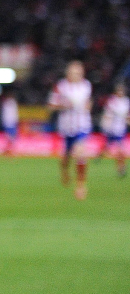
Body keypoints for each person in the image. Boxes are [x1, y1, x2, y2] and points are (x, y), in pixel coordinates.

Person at [50, 60, 93, 199]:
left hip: (82, 125)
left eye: (78, 72)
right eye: (73, 72)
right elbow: (51, 105)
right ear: (68, 73)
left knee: (80, 153)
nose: (76, 75)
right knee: (66, 157)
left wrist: (87, 107)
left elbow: (88, 102)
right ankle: (64, 170)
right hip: (67, 127)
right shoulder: (61, 87)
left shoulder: (86, 86)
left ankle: (81, 186)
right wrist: (65, 105)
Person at [99, 82, 129, 178]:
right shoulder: (112, 101)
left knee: (120, 150)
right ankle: (99, 156)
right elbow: (107, 114)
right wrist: (106, 125)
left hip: (120, 129)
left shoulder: (126, 102)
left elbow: (127, 115)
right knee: (107, 146)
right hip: (112, 128)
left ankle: (121, 168)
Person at [0, 91, 19, 156]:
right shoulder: (9, 103)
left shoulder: (9, 103)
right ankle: (9, 151)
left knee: (11, 138)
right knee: (10, 138)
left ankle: (9, 151)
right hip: (9, 123)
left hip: (10, 122)